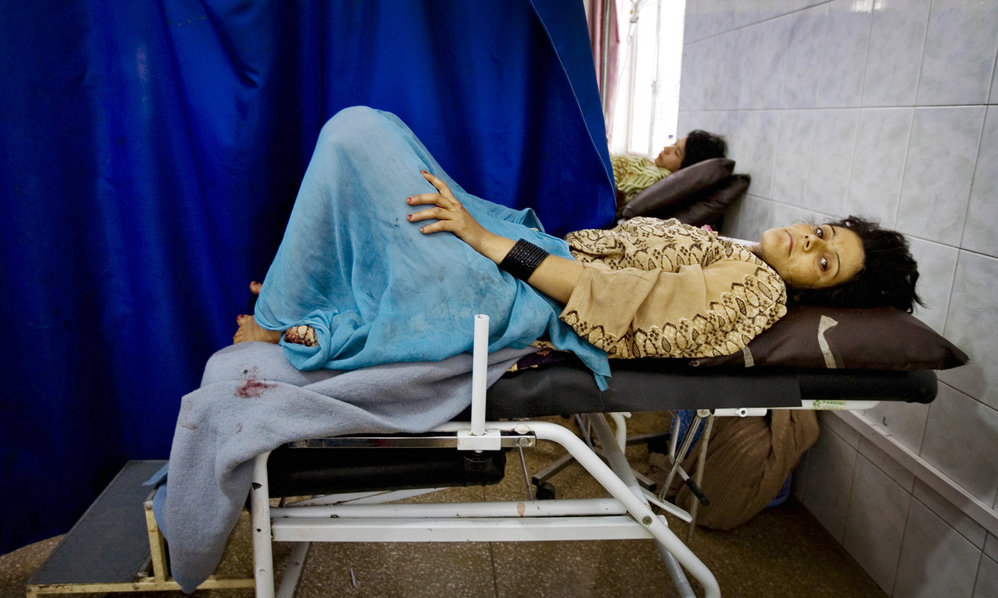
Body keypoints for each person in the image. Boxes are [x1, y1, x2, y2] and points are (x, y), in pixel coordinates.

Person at [233, 107, 920, 384]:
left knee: (360, 136)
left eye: (823, 262)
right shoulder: (745, 259)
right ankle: (306, 291)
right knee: (379, 145)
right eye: (825, 233)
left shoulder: (756, 290)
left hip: (528, 297)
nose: (809, 241)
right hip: (534, 263)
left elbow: (609, 299)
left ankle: (278, 319)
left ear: (815, 290)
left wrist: (484, 240)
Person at [611, 130, 729, 208]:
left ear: (685, 168)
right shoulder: (651, 165)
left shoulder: (655, 178)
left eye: (677, 153)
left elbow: (613, 196)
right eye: (674, 143)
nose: (667, 148)